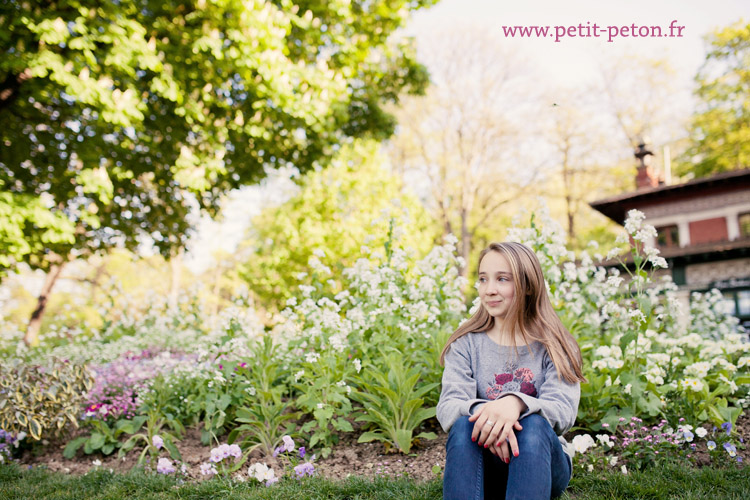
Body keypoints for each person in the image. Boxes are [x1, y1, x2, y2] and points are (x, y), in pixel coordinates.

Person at [437, 242, 585, 500]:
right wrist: (492, 418)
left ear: (528, 285)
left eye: (502, 279)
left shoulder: (556, 344)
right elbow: (449, 405)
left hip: (541, 463)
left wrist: (515, 404)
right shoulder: (465, 344)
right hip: (485, 464)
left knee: (535, 425)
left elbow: (563, 409)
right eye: (483, 279)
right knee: (463, 425)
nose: (489, 289)